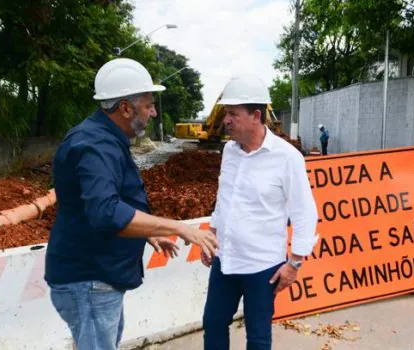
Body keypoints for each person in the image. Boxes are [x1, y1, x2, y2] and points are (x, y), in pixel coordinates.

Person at [44, 58, 218, 350]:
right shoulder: (95, 146)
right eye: (148, 104)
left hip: (95, 279)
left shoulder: (103, 139)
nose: (153, 112)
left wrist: (147, 231)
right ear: (125, 108)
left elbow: (103, 204)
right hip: (90, 280)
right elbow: (107, 212)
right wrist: (179, 227)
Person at [201, 75, 319, 350]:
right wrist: (212, 235)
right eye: (225, 113)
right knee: (214, 323)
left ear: (256, 115)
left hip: (262, 267)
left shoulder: (287, 158)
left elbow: (304, 214)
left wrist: (294, 264)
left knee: (257, 337)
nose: (225, 120)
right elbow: (224, 199)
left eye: (232, 113)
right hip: (225, 260)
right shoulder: (229, 151)